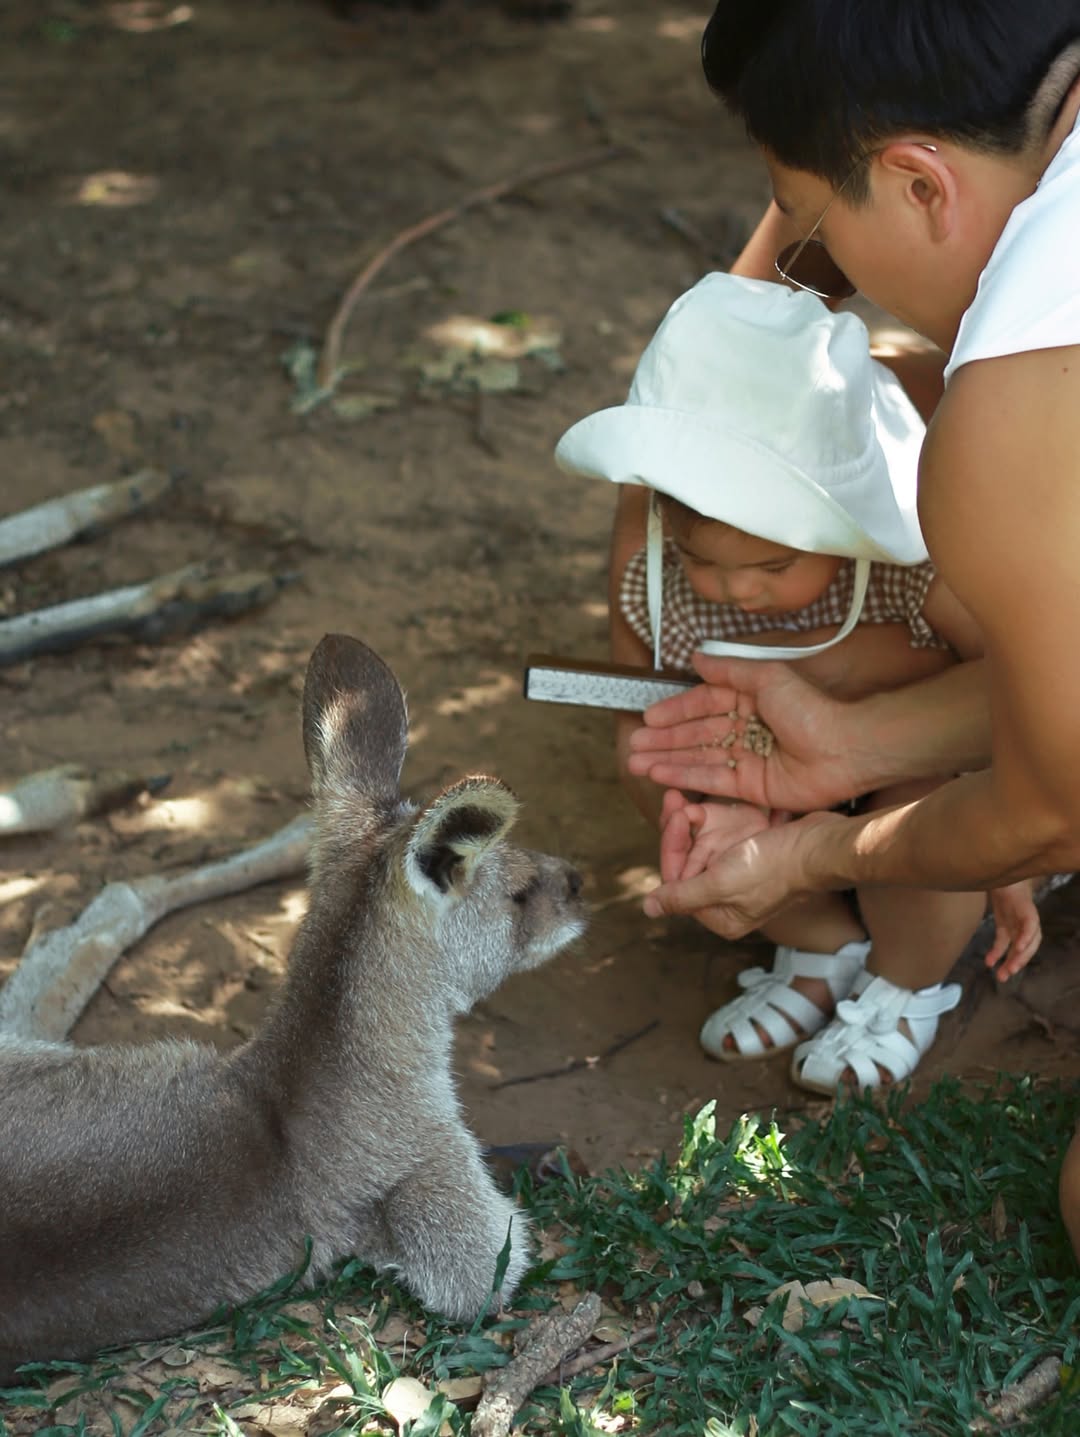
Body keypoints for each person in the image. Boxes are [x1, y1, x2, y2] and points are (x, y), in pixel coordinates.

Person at [620, 1, 1080, 1248]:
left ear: (919, 181)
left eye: (822, 241)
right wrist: (858, 747)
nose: (825, 283)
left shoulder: (1015, 401)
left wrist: (814, 857)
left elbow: (1049, 802)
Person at [557, 271, 1037, 1087]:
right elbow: (632, 706)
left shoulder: (913, 561)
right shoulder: (648, 565)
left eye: (775, 565)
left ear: (844, 525)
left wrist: (1014, 846)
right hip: (751, 765)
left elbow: (1015, 693)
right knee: (669, 774)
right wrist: (676, 789)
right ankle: (817, 941)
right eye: (701, 561)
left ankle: (906, 978)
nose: (737, 590)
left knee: (927, 799)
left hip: (910, 769)